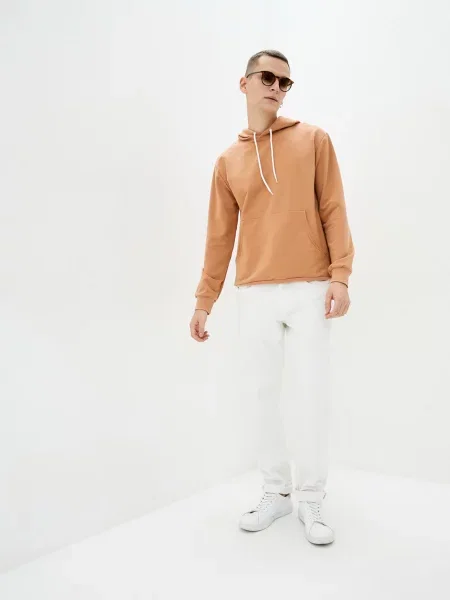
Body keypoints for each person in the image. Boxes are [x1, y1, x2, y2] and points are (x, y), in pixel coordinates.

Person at [189, 49, 355, 545]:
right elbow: (219, 237)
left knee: (311, 393)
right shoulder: (228, 161)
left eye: (285, 82)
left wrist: (341, 275)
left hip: (310, 287)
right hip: (255, 291)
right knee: (261, 393)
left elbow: (333, 208)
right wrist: (204, 300)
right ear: (244, 83)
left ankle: (312, 497)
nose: (277, 88)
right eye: (267, 77)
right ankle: (276, 492)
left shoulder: (313, 140)